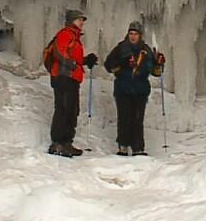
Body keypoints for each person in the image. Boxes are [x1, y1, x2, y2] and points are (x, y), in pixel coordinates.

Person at [104, 21, 165, 156]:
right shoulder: (120, 48)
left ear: (140, 35)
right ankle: (123, 146)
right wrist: (122, 63)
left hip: (140, 89)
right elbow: (108, 65)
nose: (132, 36)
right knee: (124, 117)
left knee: (138, 119)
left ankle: (138, 147)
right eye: (130, 33)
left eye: (135, 34)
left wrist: (159, 63)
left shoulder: (147, 50)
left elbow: (156, 72)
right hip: (123, 88)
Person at [47, 9, 98, 158]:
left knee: (71, 110)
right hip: (64, 77)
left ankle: (66, 142)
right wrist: (73, 64)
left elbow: (71, 56)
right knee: (63, 109)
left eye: (82, 20)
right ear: (71, 21)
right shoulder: (65, 34)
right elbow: (59, 52)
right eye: (79, 20)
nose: (82, 23)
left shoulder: (74, 38)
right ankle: (58, 143)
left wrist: (85, 60)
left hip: (71, 78)